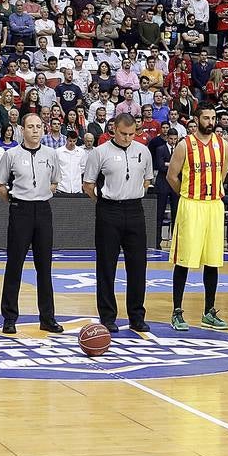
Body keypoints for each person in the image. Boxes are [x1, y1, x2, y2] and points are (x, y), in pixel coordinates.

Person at [82, 113, 154, 333]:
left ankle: (137, 316)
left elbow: (147, 180)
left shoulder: (143, 151)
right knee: (106, 265)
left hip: (135, 210)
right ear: (113, 129)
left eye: (132, 134)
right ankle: (107, 315)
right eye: (123, 133)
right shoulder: (99, 152)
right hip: (109, 210)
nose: (127, 138)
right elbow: (88, 184)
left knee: (138, 265)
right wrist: (103, 200)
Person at [0, 112, 62, 334]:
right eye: (30, 126)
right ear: (22, 130)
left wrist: (40, 194)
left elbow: (54, 182)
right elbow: (0, 185)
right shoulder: (11, 154)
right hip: (20, 210)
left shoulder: (51, 154)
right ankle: (10, 317)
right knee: (14, 265)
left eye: (39, 126)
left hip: (43, 210)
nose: (35, 130)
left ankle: (48, 317)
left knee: (44, 267)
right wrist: (15, 201)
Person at [166, 105, 228, 331]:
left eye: (213, 118)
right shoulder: (185, 145)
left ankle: (209, 312)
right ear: (196, 119)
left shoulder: (223, 145)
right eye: (206, 118)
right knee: (184, 260)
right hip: (191, 204)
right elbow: (172, 176)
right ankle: (177, 312)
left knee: (212, 261)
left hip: (214, 205)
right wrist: (188, 192)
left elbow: (222, 174)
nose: (210, 121)